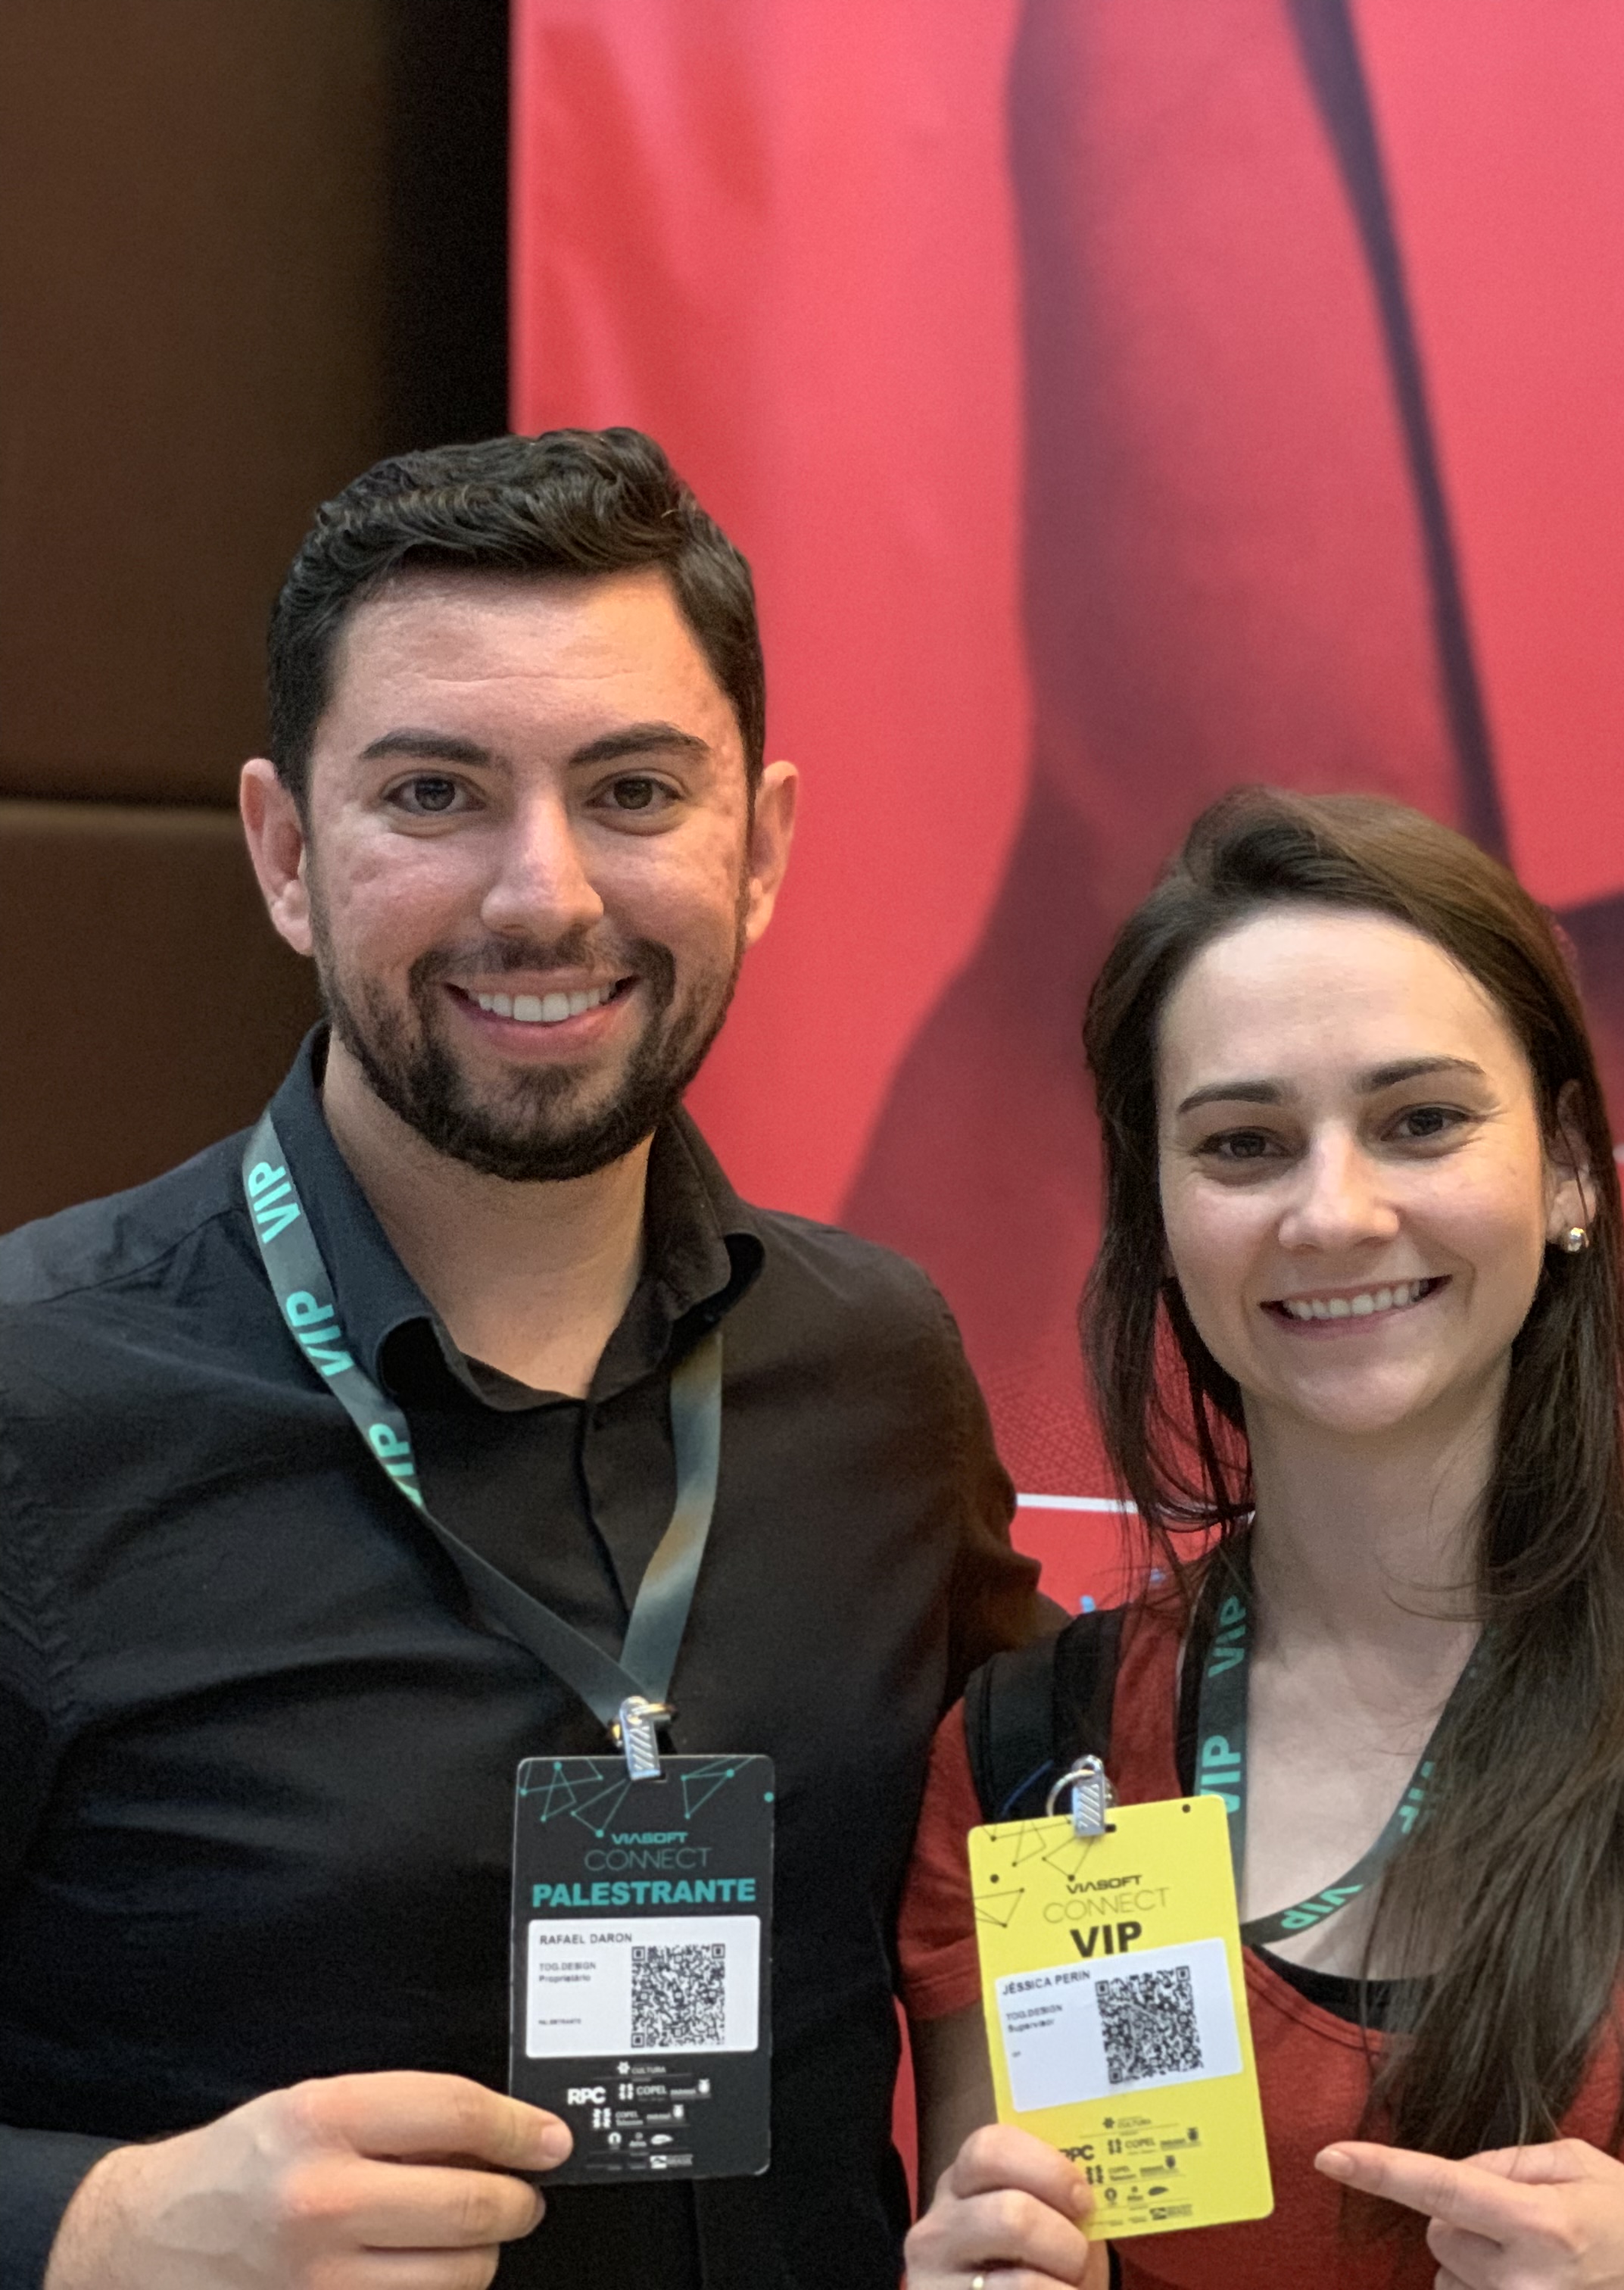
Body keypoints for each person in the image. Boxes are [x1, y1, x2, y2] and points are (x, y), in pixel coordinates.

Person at [0, 429, 1043, 2288]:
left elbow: (1035, 1873)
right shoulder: (34, 1404)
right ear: (285, 853)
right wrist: (97, 2223)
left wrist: (1042, 2186)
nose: (542, 893)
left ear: (764, 848)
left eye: (634, 789)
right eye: (435, 793)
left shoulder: (880, 1374)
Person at [894, 789, 1624, 2290]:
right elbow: (1003, 2239)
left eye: (1420, 1122)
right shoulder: (1029, 1753)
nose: (1335, 1212)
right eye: (1246, 1143)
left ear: (1572, 1167)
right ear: (1158, 1217)